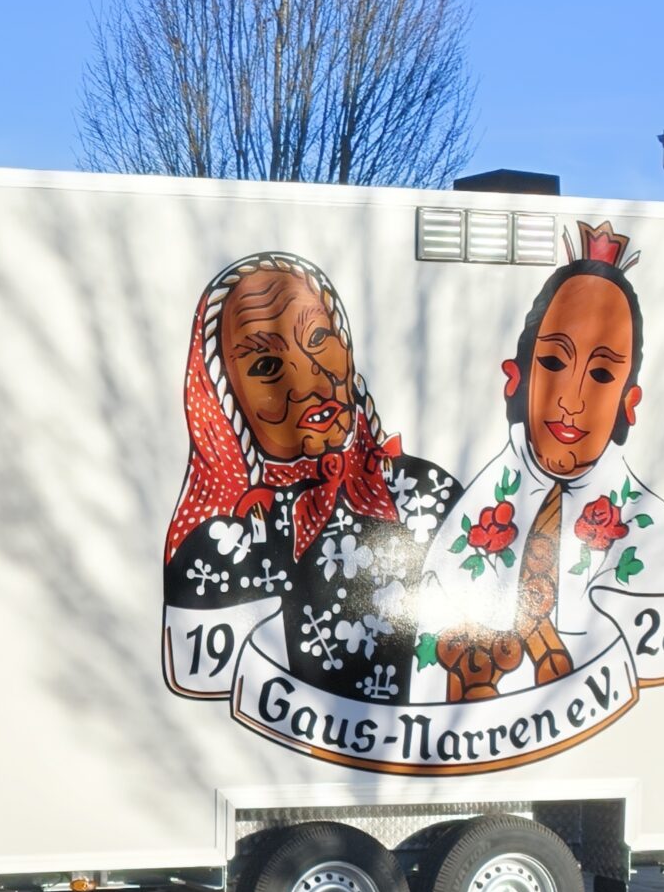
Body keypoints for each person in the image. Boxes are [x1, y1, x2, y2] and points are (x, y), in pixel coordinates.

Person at [413, 223, 664, 704]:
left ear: (629, 402)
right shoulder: (470, 518)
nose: (572, 400)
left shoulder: (652, 528)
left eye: (602, 373)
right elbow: (425, 679)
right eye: (553, 363)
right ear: (515, 378)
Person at [161, 253, 459, 709]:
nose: (310, 383)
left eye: (318, 338)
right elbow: (207, 702)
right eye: (266, 367)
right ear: (225, 398)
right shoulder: (219, 547)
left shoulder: (428, 494)